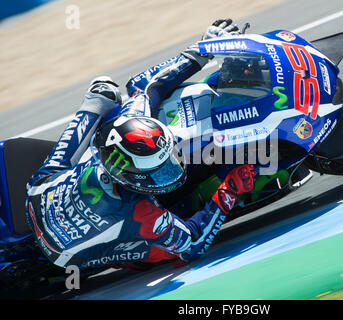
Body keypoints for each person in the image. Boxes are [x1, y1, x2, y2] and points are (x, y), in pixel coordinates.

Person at [25, 19, 257, 270]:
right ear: (131, 180)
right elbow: (193, 245)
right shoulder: (142, 214)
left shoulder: (122, 129)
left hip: (40, 189)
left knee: (103, 92)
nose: (171, 169)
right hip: (64, 254)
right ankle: (130, 262)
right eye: (159, 171)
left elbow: (148, 87)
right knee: (173, 253)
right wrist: (229, 191)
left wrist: (203, 49)